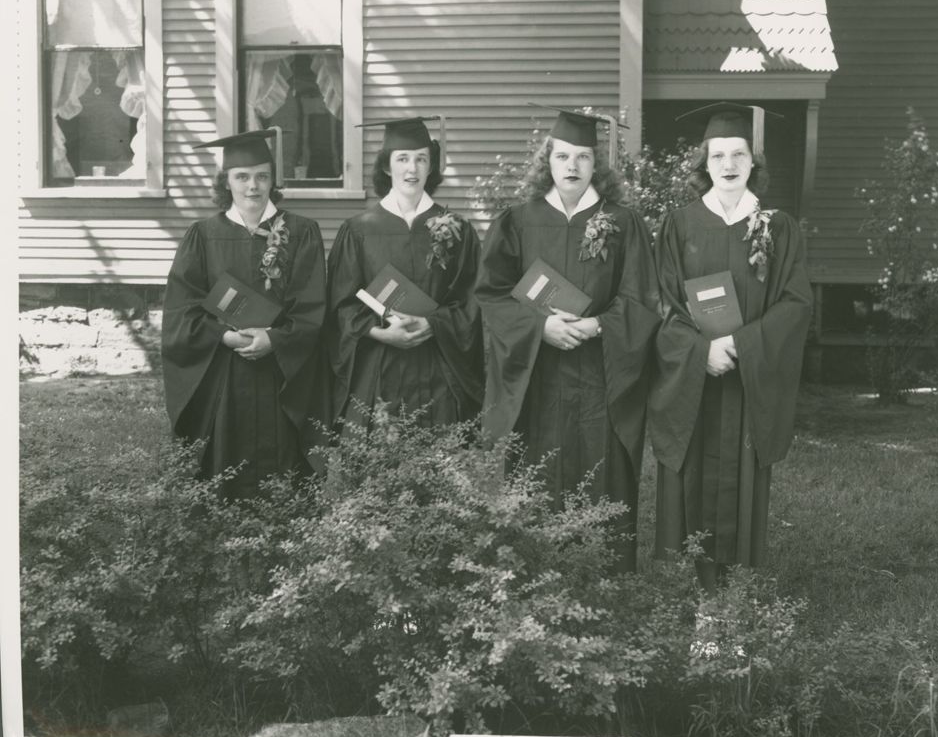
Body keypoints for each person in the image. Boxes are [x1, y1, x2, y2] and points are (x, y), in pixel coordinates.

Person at [475, 107, 661, 573]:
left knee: (601, 471)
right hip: (540, 378)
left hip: (601, 374)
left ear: (595, 164)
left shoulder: (623, 221)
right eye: (563, 156)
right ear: (548, 162)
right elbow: (491, 295)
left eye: (582, 156)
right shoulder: (517, 222)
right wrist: (540, 327)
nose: (572, 166)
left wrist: (600, 326)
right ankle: (536, 584)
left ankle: (603, 583)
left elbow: (640, 299)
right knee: (539, 471)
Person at [648, 102, 812, 593]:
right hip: (697, 378)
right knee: (697, 481)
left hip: (747, 377)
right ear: (705, 164)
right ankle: (705, 595)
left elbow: (795, 302)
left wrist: (739, 345)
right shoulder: (679, 226)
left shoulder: (777, 227)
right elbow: (663, 301)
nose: (728, 164)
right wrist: (702, 352)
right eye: (717, 155)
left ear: (752, 162)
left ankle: (734, 597)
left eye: (738, 153)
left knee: (741, 481)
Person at [161, 128, 328, 499]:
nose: (253, 186)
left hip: (280, 373)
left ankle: (282, 534)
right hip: (224, 369)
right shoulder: (202, 236)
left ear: (273, 180)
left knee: (283, 479)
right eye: (242, 177)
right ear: (227, 182)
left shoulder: (301, 232)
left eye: (262, 176)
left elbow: (313, 305)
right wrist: (222, 335)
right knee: (225, 468)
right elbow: (181, 309)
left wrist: (275, 339)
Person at [326, 116, 483, 433]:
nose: (412, 169)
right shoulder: (358, 231)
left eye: (421, 159)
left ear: (431, 166)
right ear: (387, 166)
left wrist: (432, 323)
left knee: (441, 469)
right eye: (402, 159)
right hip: (378, 372)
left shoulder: (458, 229)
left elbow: (473, 301)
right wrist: (377, 332)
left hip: (440, 371)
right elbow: (340, 304)